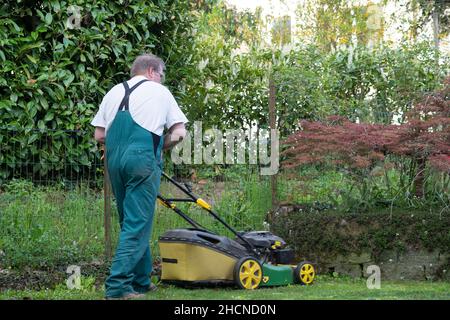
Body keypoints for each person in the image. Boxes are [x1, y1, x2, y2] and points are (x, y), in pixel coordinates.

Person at [91, 53, 188, 299]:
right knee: (137, 223)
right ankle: (117, 287)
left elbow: (100, 136)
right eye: (162, 75)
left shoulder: (113, 92)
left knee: (131, 221)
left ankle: (141, 280)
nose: (162, 81)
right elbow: (179, 133)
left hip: (115, 161)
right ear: (152, 72)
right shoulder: (160, 92)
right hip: (142, 159)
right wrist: (159, 146)